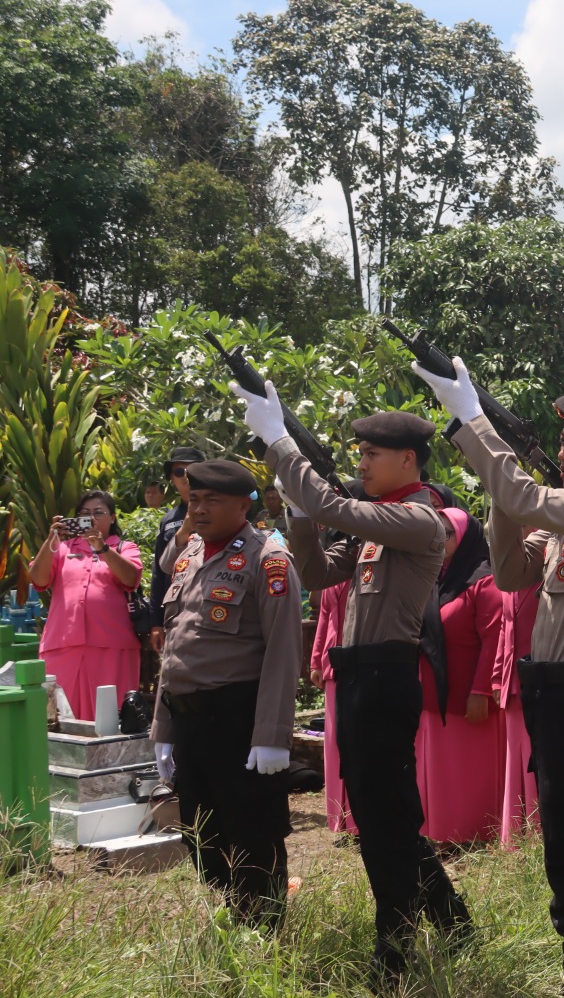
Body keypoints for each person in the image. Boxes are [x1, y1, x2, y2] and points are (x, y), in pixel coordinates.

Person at [413, 356, 564, 998]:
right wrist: (504, 496)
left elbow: (526, 498)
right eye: (560, 441)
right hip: (553, 691)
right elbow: (514, 570)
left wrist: (473, 421)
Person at [231, 381, 471, 990]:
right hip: (360, 675)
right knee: (378, 812)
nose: (360, 464)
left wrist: (283, 444)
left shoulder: (419, 518)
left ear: (408, 460)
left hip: (387, 676)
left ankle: (394, 947)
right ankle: (450, 920)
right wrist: (298, 506)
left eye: (371, 455)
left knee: (384, 816)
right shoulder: (381, 522)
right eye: (358, 454)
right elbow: (316, 573)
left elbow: (339, 510)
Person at [148, 460, 301, 928]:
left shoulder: (267, 559)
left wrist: (272, 734)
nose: (199, 509)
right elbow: (175, 644)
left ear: (244, 504)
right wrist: (163, 728)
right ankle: (237, 916)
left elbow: (283, 651)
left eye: (212, 500)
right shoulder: (189, 554)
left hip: (238, 718)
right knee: (200, 835)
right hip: (189, 717)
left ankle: (264, 932)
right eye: (194, 499)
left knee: (252, 834)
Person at [414, 507, 506, 845]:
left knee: (469, 768)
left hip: (468, 693)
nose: (440, 540)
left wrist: (481, 690)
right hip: (435, 691)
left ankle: (474, 833)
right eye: (435, 533)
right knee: (439, 768)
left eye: (447, 533)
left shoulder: (485, 580)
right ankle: (442, 831)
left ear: (466, 538)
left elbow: (494, 638)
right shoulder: (437, 576)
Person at [29, 490, 144, 720]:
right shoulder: (63, 548)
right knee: (60, 717)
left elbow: (130, 578)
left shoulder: (124, 547)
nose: (91, 518)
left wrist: (101, 547)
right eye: (85, 513)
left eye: (98, 513)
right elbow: (39, 579)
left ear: (112, 517)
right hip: (62, 645)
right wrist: (52, 539)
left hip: (112, 646)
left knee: (110, 718)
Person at [495, 575, 541, 846]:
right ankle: (513, 835)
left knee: (535, 760)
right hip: (512, 683)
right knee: (515, 762)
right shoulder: (509, 579)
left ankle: (537, 833)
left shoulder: (544, 574)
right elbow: (504, 628)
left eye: (524, 527)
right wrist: (498, 674)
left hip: (538, 680)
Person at [308, 575, 356, 835]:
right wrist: (316, 660)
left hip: (359, 664)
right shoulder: (333, 570)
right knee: (334, 746)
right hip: (332, 668)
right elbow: (324, 616)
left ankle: (359, 819)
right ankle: (340, 818)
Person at [148, 445, 204, 653]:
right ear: (172, 478)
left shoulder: (222, 510)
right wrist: (155, 623)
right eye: (179, 472)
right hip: (176, 611)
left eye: (192, 470)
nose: (185, 477)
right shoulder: (169, 520)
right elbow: (158, 572)